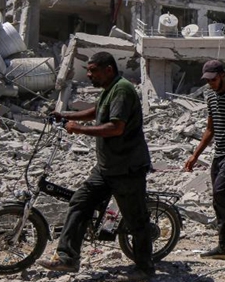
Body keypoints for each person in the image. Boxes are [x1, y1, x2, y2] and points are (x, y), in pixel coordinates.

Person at [39, 52, 154, 280]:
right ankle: (67, 257)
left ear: (108, 69)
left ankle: (144, 267)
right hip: (106, 168)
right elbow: (97, 111)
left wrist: (78, 129)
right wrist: (66, 116)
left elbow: (115, 127)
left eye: (93, 70)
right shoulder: (109, 90)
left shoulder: (122, 90)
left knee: (135, 220)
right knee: (80, 202)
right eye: (89, 70)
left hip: (127, 169)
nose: (89, 74)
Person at [184, 60, 225, 260]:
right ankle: (224, 246)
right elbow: (210, 129)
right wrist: (195, 155)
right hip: (218, 154)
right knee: (217, 200)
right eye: (208, 80)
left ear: (222, 75)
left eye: (213, 79)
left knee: (220, 192)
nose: (210, 83)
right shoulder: (210, 96)